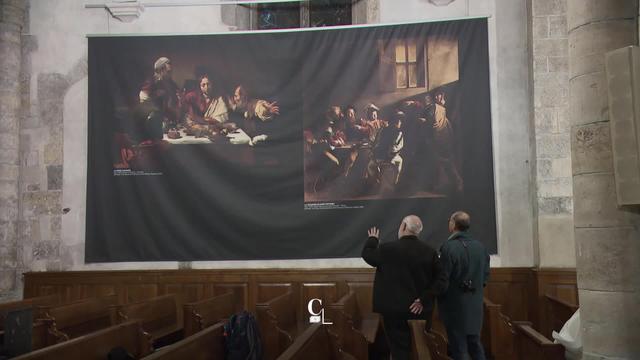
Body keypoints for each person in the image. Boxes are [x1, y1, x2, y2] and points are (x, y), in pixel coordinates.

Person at [362, 215, 447, 360]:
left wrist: (373, 240)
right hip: (420, 310)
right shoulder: (430, 252)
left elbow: (367, 255)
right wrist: (424, 299)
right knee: (421, 347)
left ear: (403, 227)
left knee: (398, 349)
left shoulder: (386, 249)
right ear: (418, 231)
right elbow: (442, 280)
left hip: (393, 311)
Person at [438, 211, 490, 360]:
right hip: (475, 304)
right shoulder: (480, 247)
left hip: (455, 306)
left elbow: (443, 278)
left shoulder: (448, 247)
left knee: (459, 347)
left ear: (453, 225)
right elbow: (485, 276)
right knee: (475, 343)